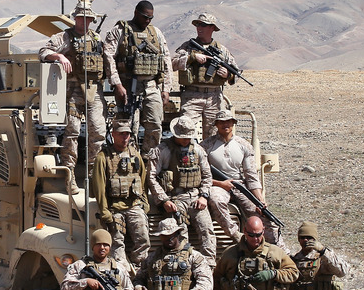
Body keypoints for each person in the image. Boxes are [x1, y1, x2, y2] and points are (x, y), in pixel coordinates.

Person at [39, 0, 107, 193]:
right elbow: (43, 52)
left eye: (88, 19)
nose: (85, 22)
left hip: (94, 92)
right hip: (73, 93)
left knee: (98, 134)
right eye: (81, 18)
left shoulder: (97, 39)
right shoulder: (65, 37)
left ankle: (95, 178)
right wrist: (59, 56)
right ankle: (70, 177)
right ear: (75, 18)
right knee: (72, 134)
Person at [201, 109, 289, 253]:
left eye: (228, 121)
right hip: (217, 185)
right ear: (216, 124)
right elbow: (201, 174)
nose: (225, 125)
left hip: (240, 185)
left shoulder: (244, 145)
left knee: (263, 215)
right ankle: (237, 235)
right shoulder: (205, 146)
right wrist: (220, 184)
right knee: (216, 200)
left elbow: (251, 176)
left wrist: (259, 199)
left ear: (233, 123)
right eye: (221, 122)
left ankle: (281, 253)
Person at [102, 0, 173, 153]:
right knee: (128, 127)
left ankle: (149, 161)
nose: (147, 21)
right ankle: (129, 161)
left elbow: (166, 60)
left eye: (150, 18)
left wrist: (166, 88)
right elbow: (108, 57)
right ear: (136, 13)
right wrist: (117, 84)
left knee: (154, 125)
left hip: (151, 86)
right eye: (144, 17)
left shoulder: (156, 33)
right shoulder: (120, 31)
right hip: (128, 85)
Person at [148, 115, 217, 266]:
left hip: (195, 197)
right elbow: (151, 178)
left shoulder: (198, 151)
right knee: (180, 234)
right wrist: (164, 200)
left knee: (207, 230)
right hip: (173, 199)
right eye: (182, 137)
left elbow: (207, 176)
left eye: (188, 137)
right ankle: (183, 267)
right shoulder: (162, 151)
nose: (186, 140)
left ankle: (209, 266)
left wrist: (204, 196)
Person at [91, 117, 150, 272]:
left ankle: (139, 269)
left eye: (127, 134)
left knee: (143, 238)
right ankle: (122, 272)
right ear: (113, 134)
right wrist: (105, 212)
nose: (125, 137)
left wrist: (144, 204)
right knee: (116, 242)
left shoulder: (135, 155)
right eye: (121, 134)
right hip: (114, 208)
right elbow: (99, 186)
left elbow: (142, 180)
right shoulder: (103, 157)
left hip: (134, 206)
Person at [172, 13, 238, 140]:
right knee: (184, 130)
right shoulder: (188, 46)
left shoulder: (221, 50)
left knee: (214, 135)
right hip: (192, 95)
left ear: (212, 28)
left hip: (214, 98)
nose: (199, 28)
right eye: (198, 24)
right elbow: (172, 63)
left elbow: (235, 71)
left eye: (204, 25)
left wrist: (228, 75)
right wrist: (192, 57)